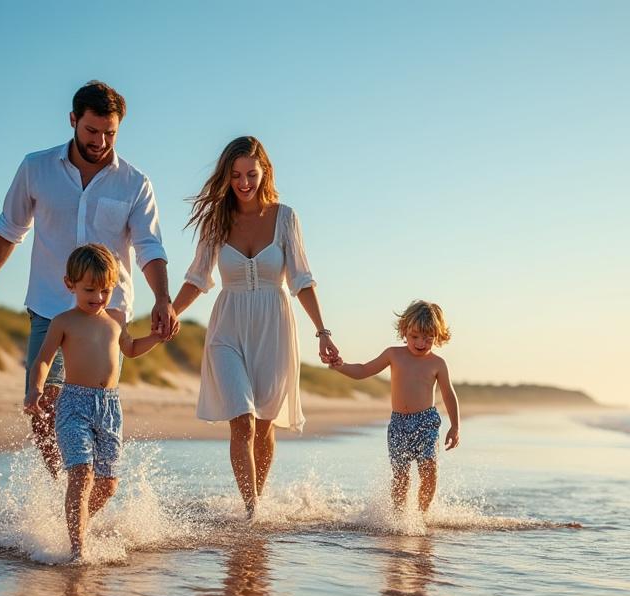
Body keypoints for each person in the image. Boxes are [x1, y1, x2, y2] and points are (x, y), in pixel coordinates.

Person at [0, 80, 180, 478]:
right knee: (43, 406)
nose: (100, 141)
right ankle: (64, 491)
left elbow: (149, 248)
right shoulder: (36, 168)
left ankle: (86, 491)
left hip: (106, 310)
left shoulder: (135, 183)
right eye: (92, 131)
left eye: (110, 132)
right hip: (49, 305)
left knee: (91, 405)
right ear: (73, 120)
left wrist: (163, 298)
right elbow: (9, 229)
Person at [171, 136, 340, 518]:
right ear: (227, 178)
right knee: (242, 421)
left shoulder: (285, 218)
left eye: (250, 174)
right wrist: (169, 312)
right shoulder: (216, 220)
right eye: (235, 176)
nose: (244, 183)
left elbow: (301, 280)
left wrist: (323, 332)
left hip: (274, 328)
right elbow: (197, 278)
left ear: (264, 171)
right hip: (227, 326)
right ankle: (251, 513)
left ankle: (255, 504)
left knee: (264, 427)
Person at [25, 244, 162, 561]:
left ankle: (76, 520)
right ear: (69, 284)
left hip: (110, 409)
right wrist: (35, 389)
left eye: (105, 290)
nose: (98, 298)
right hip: (73, 406)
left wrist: (156, 338)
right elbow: (43, 361)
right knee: (82, 474)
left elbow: (131, 348)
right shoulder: (63, 322)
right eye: (90, 290)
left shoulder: (115, 321)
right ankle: (78, 550)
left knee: (108, 484)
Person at [327, 300, 460, 515]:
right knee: (401, 475)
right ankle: (399, 518)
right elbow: (363, 370)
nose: (420, 343)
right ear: (404, 330)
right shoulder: (393, 355)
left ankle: (420, 516)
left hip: (426, 422)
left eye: (428, 338)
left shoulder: (437, 363)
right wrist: (340, 366)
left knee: (428, 471)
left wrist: (455, 426)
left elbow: (448, 394)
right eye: (415, 336)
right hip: (398, 424)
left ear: (438, 336)